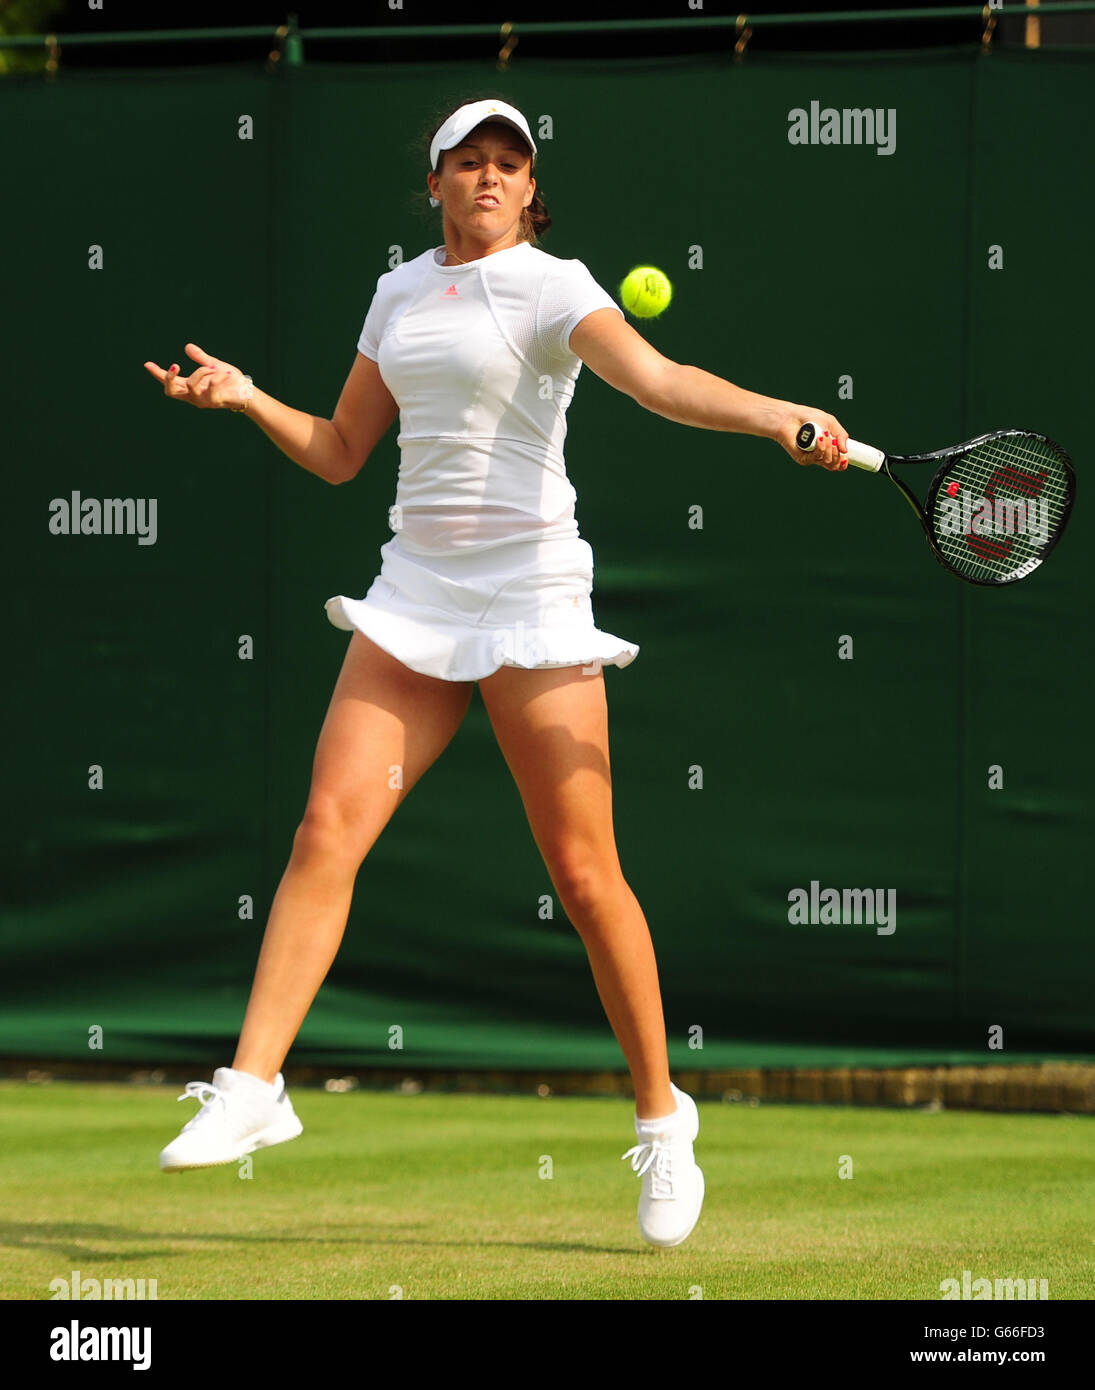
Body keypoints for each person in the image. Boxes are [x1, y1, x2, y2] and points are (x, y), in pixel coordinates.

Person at [143, 96, 848, 1250]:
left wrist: (776, 416)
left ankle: (666, 1125)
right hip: (415, 593)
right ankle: (254, 1088)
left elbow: (660, 382)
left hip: (530, 595)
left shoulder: (557, 286)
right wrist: (245, 398)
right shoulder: (397, 293)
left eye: (507, 164)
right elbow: (340, 453)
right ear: (434, 184)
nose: (486, 176)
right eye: (466, 161)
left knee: (582, 873)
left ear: (530, 190)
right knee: (326, 827)